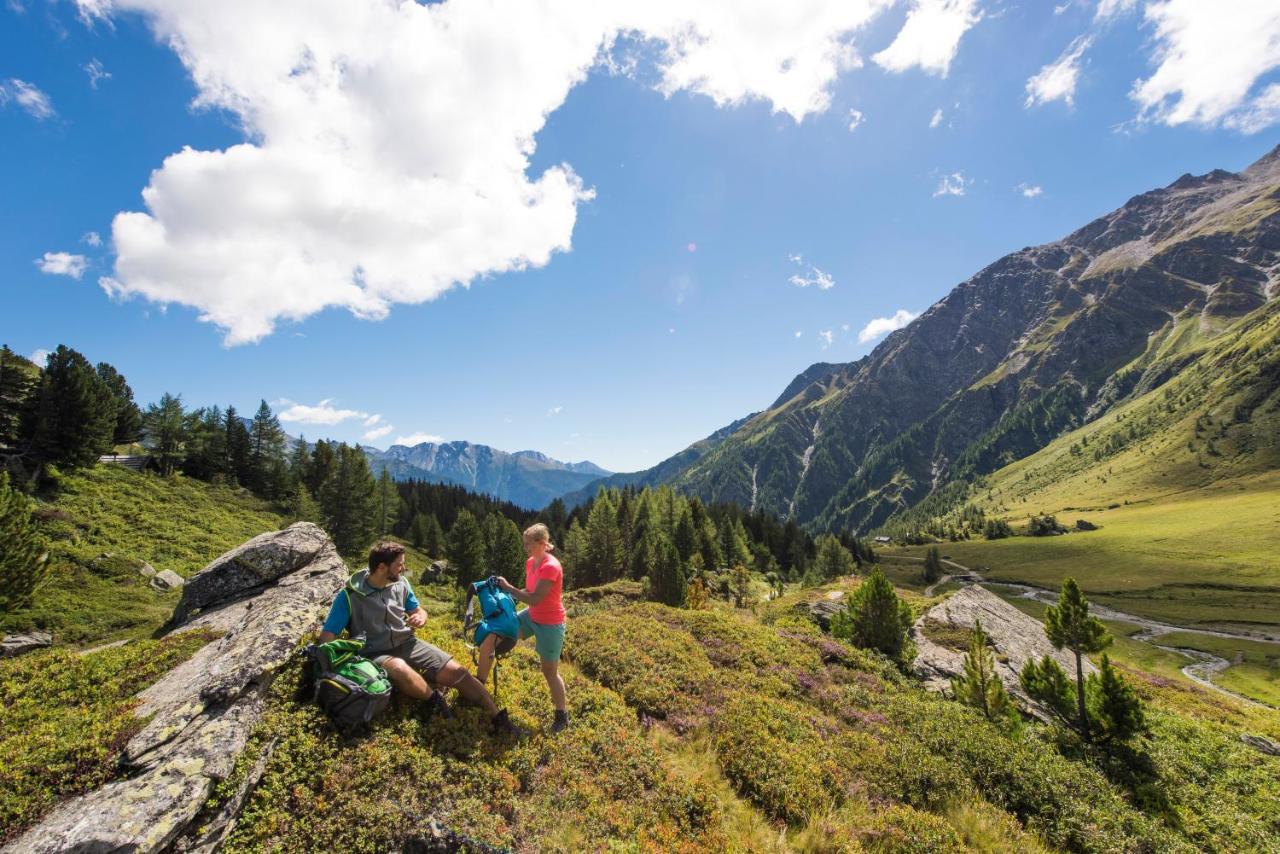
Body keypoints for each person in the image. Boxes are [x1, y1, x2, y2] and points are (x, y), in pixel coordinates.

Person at [318, 540, 524, 737]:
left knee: (460, 673)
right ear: (382, 567)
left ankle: (499, 719)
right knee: (398, 667)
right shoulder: (350, 596)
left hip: (408, 643)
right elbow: (328, 636)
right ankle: (437, 702)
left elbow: (419, 610)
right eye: (399, 564)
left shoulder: (401, 584)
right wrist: (335, 665)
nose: (403, 567)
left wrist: (420, 617)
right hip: (374, 652)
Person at [478, 522, 569, 733]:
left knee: (549, 672)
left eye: (528, 544)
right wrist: (504, 594)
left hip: (550, 624)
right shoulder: (531, 562)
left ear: (542, 543)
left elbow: (536, 598)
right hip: (531, 616)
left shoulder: (551, 566)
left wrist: (509, 588)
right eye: (524, 543)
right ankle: (479, 686)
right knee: (496, 633)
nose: (525, 547)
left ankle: (562, 715)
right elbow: (527, 591)